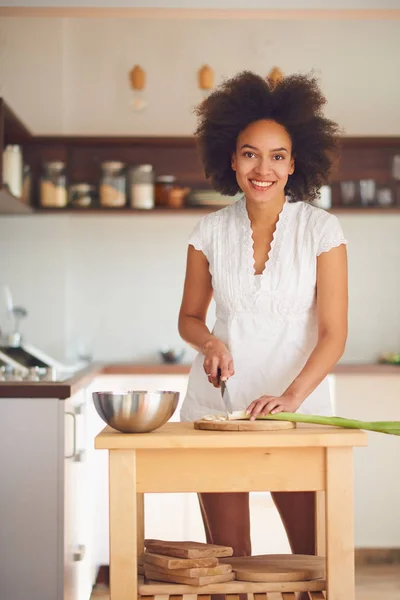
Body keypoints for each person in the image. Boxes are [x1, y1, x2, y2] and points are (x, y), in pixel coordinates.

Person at [178, 71, 348, 570]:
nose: (263, 168)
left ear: (294, 164)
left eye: (277, 156)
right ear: (231, 159)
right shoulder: (208, 230)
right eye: (250, 153)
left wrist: (290, 400)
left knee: (314, 562)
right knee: (229, 565)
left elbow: (334, 334)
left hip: (297, 411)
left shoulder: (321, 229)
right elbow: (189, 317)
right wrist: (209, 343)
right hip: (218, 408)